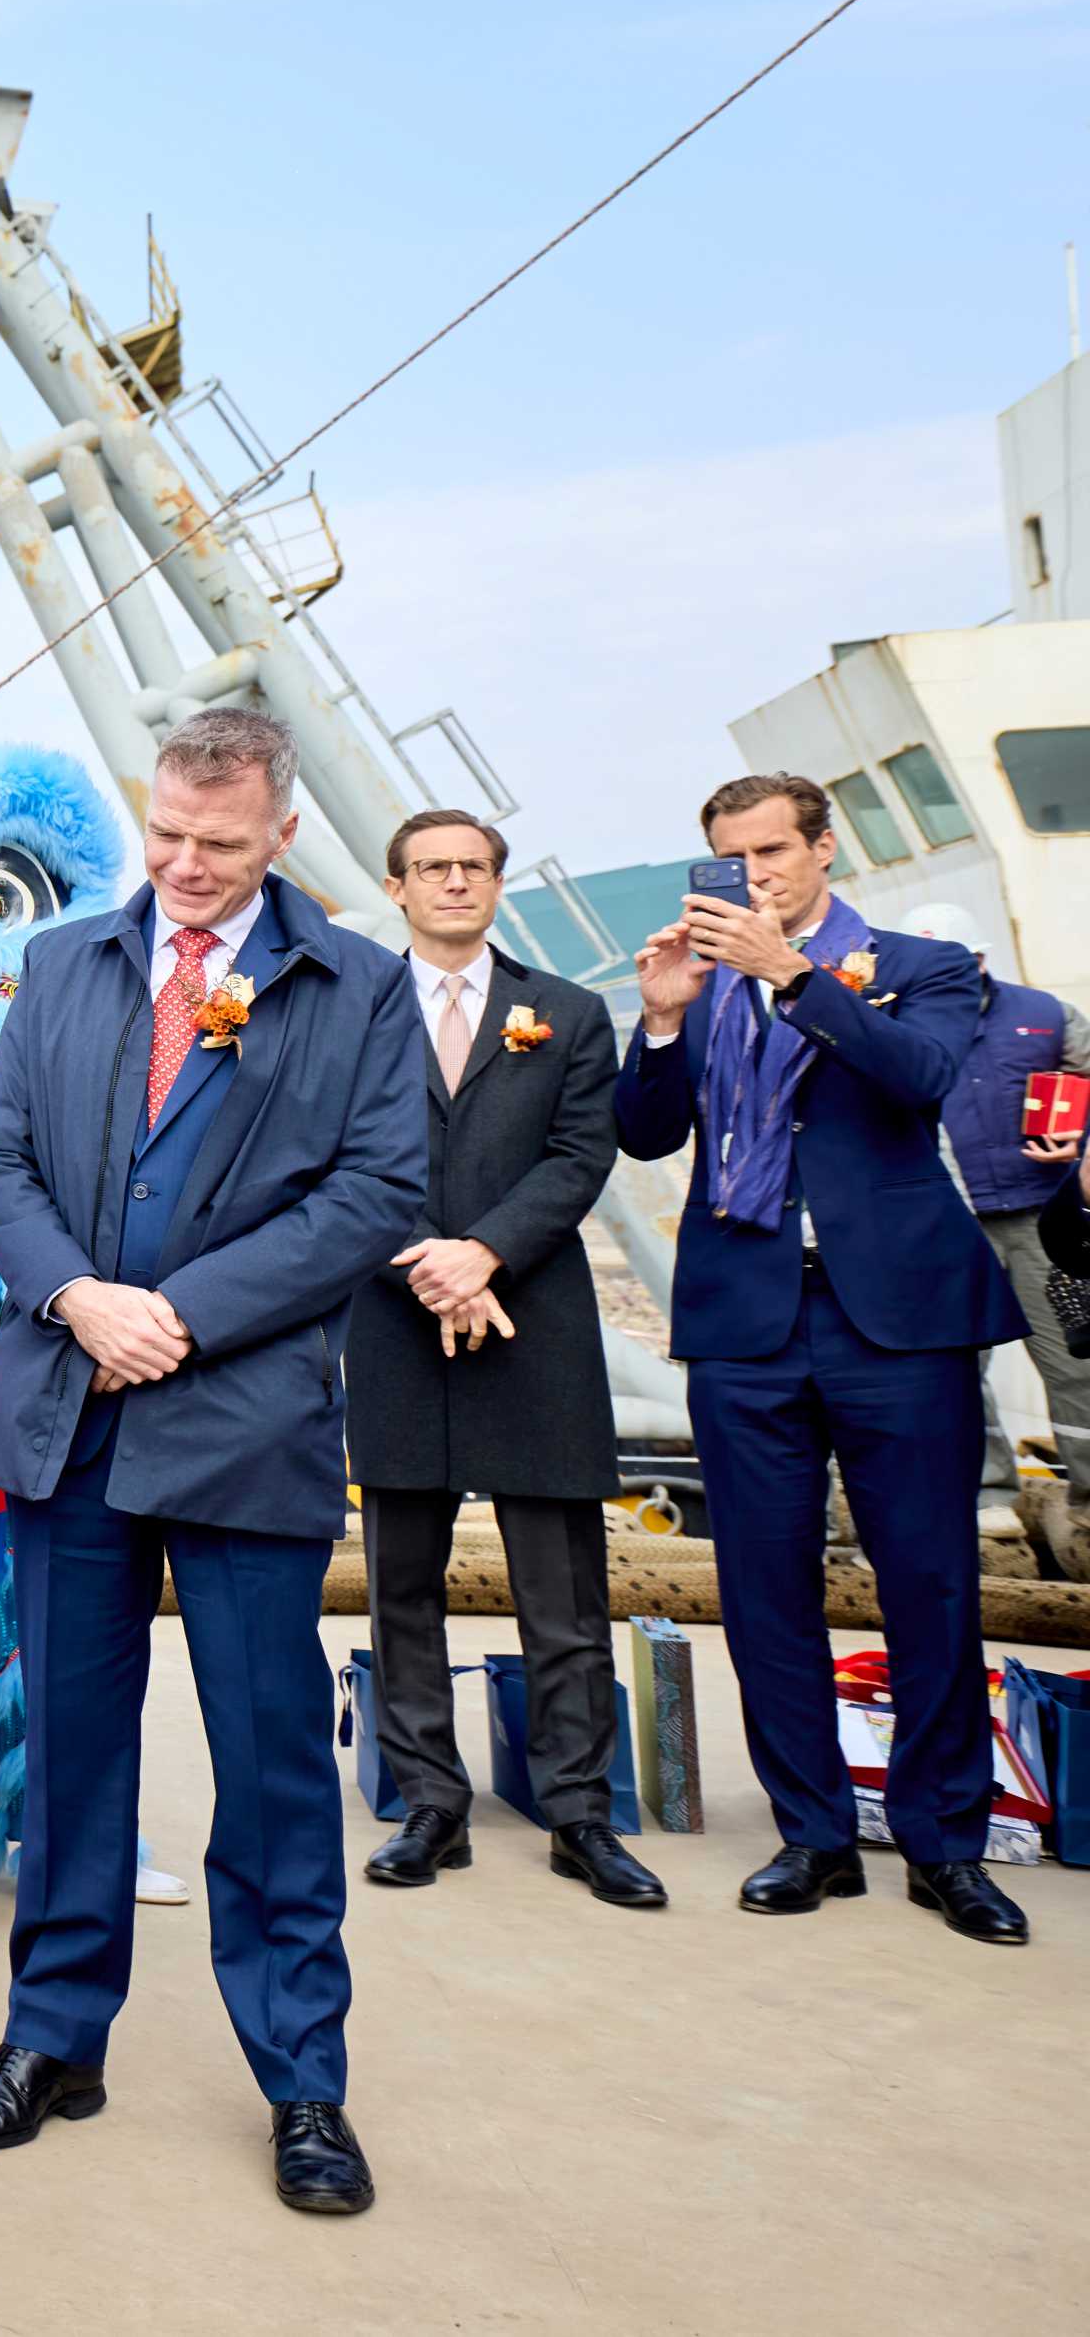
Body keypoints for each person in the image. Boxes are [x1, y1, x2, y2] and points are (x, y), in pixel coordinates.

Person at [0, 705, 424, 2219]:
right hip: (69, 1410)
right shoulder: (61, 966)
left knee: (271, 1763)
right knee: (74, 1751)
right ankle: (51, 2035)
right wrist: (78, 1298)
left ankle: (303, 2080)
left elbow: (376, 1192)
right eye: (166, 833)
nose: (186, 864)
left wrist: (182, 1316)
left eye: (219, 842)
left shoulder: (358, 986)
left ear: (283, 832)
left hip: (244, 1426)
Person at [616, 777, 1029, 1946]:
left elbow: (924, 1077)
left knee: (929, 1578)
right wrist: (659, 1022)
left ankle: (946, 1844)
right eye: (732, 856)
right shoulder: (700, 982)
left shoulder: (921, 964)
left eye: (772, 850)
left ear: (822, 849)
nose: (754, 874)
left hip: (896, 1315)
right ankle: (812, 1834)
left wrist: (792, 976)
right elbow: (644, 1132)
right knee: (762, 1583)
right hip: (744, 1316)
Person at [344, 812, 661, 1909]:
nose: (453, 881)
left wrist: (482, 1254)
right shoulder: (348, 1009)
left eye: (472, 866)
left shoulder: (566, 1010)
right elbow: (332, 1157)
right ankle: (429, 1802)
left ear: (495, 882)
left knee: (563, 1593)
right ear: (396, 887)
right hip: (394, 1318)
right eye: (431, 867)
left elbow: (581, 1152)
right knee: (401, 1585)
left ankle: (579, 1811)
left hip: (535, 1318)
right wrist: (429, 1268)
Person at [896, 900, 1087, 1543]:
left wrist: (1081, 1145)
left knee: (1075, 1362)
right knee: (957, 1370)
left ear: (981, 959)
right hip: (951, 1224)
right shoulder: (893, 1026)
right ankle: (987, 1494)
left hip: (1045, 1221)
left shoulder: (1047, 1015)